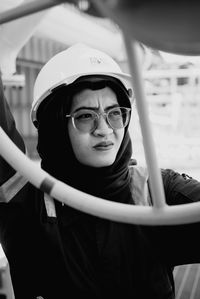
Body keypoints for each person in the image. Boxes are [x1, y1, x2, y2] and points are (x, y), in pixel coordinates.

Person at [0, 43, 200, 299]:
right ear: (53, 127)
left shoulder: (157, 190)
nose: (104, 130)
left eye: (115, 113)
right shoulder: (26, 203)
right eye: (85, 116)